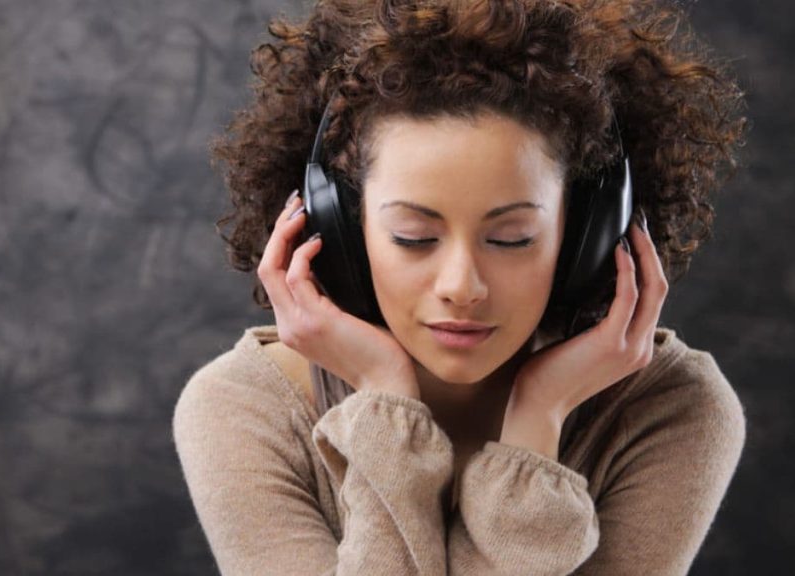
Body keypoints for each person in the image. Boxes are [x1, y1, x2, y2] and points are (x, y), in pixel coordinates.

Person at [173, 0, 748, 574]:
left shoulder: (672, 409)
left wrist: (539, 415)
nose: (462, 287)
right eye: (413, 236)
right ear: (341, 228)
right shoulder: (245, 409)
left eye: (514, 238)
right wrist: (385, 400)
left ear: (588, 234)